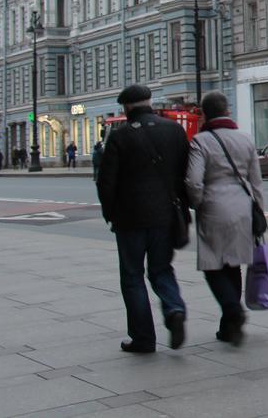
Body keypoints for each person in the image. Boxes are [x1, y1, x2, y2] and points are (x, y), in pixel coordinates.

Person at [96, 84, 190, 353]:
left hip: (129, 218)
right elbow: (186, 172)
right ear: (149, 101)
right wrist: (182, 210)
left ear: (126, 108)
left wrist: (110, 213)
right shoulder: (174, 130)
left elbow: (106, 182)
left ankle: (143, 338)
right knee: (161, 269)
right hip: (165, 215)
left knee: (132, 276)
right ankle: (174, 309)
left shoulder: (120, 136)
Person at [185, 91, 263, 347]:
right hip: (243, 206)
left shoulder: (201, 141)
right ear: (227, 110)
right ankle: (228, 327)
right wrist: (259, 212)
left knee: (212, 266)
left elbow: (194, 181)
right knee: (233, 264)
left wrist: (197, 202)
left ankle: (233, 309)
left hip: (214, 207)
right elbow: (256, 182)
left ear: (205, 114)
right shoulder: (246, 139)